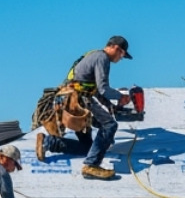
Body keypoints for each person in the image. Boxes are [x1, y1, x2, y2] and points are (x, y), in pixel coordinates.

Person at [39, 36, 133, 180]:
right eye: (122, 54)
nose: (120, 59)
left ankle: (49, 142)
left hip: (72, 100)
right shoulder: (103, 58)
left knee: (88, 148)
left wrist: (111, 106)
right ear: (116, 48)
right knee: (109, 125)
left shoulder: (93, 55)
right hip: (80, 100)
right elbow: (103, 89)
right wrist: (121, 96)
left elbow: (94, 89)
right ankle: (91, 165)